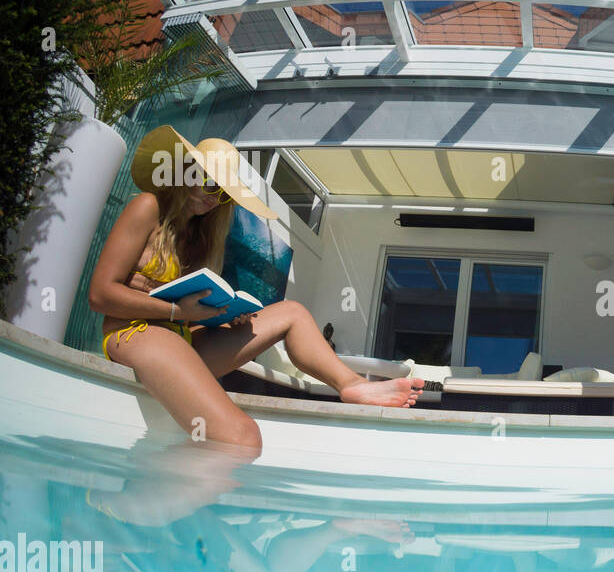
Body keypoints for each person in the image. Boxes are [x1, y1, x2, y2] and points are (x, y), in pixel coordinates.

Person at [88, 125, 422, 457]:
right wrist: (178, 312)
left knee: (293, 313)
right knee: (243, 438)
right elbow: (100, 295)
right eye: (208, 182)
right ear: (186, 170)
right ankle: (161, 505)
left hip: (181, 338)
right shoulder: (148, 207)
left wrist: (222, 315)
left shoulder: (200, 239)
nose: (211, 197)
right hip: (135, 333)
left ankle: (352, 385)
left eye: (222, 193)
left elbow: (186, 318)